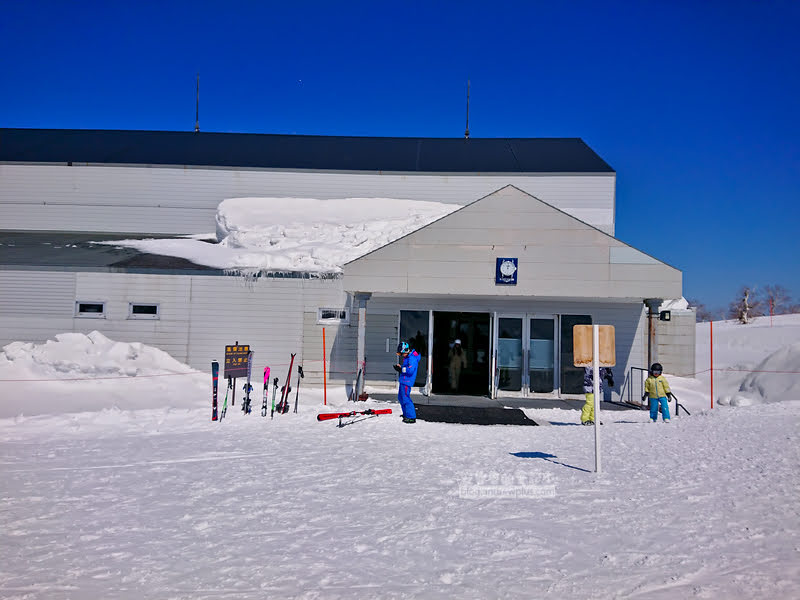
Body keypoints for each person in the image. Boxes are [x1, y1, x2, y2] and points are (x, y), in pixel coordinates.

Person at [394, 341, 421, 423]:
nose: (402, 355)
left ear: (406, 350)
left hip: (407, 381)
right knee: (401, 398)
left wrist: (401, 369)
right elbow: (406, 367)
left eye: (402, 353)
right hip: (403, 380)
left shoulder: (412, 358)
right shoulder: (408, 357)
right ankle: (406, 414)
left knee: (406, 398)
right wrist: (401, 367)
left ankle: (411, 417)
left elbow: (410, 370)